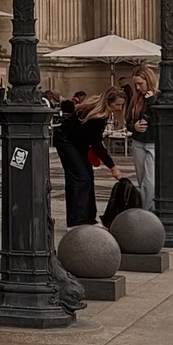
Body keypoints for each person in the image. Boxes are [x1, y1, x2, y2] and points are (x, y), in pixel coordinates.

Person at [55, 90, 122, 226]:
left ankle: (88, 216)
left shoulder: (97, 114)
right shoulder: (98, 117)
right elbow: (96, 144)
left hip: (76, 142)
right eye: (117, 105)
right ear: (109, 103)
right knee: (80, 177)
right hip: (66, 139)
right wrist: (112, 167)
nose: (119, 108)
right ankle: (77, 219)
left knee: (87, 176)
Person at [124, 67, 157, 210]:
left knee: (150, 180)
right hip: (138, 141)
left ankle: (146, 211)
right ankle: (147, 208)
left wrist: (150, 100)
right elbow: (128, 121)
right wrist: (134, 126)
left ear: (148, 80)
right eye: (135, 84)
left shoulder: (157, 98)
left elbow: (158, 119)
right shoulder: (136, 99)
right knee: (141, 178)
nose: (137, 88)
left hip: (153, 142)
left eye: (140, 84)